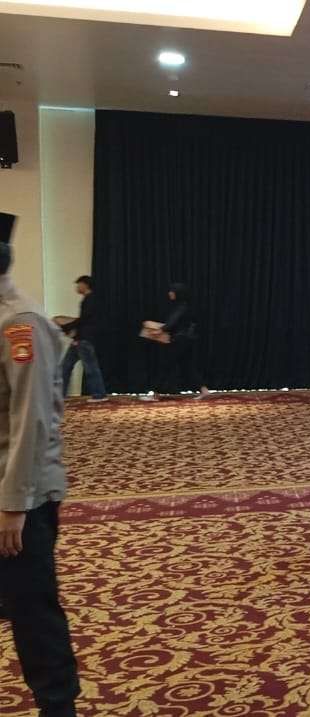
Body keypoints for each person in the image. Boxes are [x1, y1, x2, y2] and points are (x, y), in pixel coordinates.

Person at [0, 211, 81, 716]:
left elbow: (30, 421)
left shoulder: (19, 324)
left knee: (32, 610)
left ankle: (57, 705)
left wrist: (14, 506)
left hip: (19, 499)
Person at [142, 282, 211, 400]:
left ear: (178, 293)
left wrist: (161, 330)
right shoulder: (185, 305)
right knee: (187, 366)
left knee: (165, 365)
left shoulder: (181, 307)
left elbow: (174, 321)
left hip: (180, 340)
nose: (169, 293)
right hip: (186, 340)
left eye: (172, 291)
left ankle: (155, 395)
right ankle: (204, 391)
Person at [58, 275, 107, 402]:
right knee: (65, 366)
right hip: (80, 339)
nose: (77, 287)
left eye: (78, 284)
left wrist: (66, 327)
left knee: (90, 367)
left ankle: (99, 395)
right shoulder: (89, 299)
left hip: (85, 340)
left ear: (85, 285)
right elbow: (84, 321)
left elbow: (85, 320)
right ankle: (59, 395)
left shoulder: (91, 300)